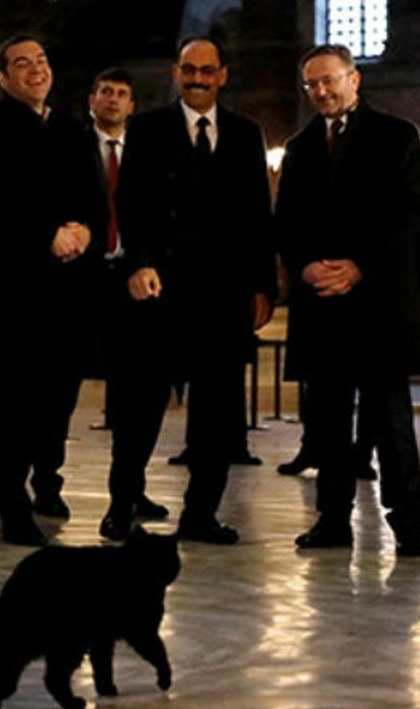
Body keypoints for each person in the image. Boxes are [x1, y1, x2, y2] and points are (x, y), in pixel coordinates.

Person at [99, 38, 275, 544]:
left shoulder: (246, 134)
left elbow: (259, 218)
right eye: (189, 70)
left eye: (207, 71)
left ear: (222, 75)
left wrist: (263, 286)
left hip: (223, 299)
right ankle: (121, 505)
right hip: (160, 293)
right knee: (139, 414)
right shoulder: (149, 129)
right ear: (177, 74)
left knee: (217, 418)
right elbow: (128, 205)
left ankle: (201, 514)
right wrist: (137, 264)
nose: (198, 79)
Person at [275, 44, 420, 557]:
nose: (321, 91)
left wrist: (359, 265)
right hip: (322, 306)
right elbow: (287, 225)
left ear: (354, 80)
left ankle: (408, 524)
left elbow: (410, 216)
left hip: (379, 304)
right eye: (311, 84)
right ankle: (332, 520)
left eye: (329, 80)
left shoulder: (397, 136)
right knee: (327, 422)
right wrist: (306, 265)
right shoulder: (298, 148)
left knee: (391, 421)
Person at [0, 35, 107, 545]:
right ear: (2, 78)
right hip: (10, 295)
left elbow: (93, 198)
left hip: (68, 295)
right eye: (21, 64)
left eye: (41, 60)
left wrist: (85, 230)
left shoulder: (73, 131)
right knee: (8, 404)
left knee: (54, 401)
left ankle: (31, 479)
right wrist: (46, 235)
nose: (36, 70)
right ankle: (11, 502)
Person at [82, 68, 135, 435]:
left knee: (131, 374)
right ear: (92, 101)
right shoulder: (74, 147)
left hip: (130, 272)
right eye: (106, 91)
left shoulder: (145, 151)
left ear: (131, 105)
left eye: (120, 93)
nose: (113, 98)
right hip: (84, 272)